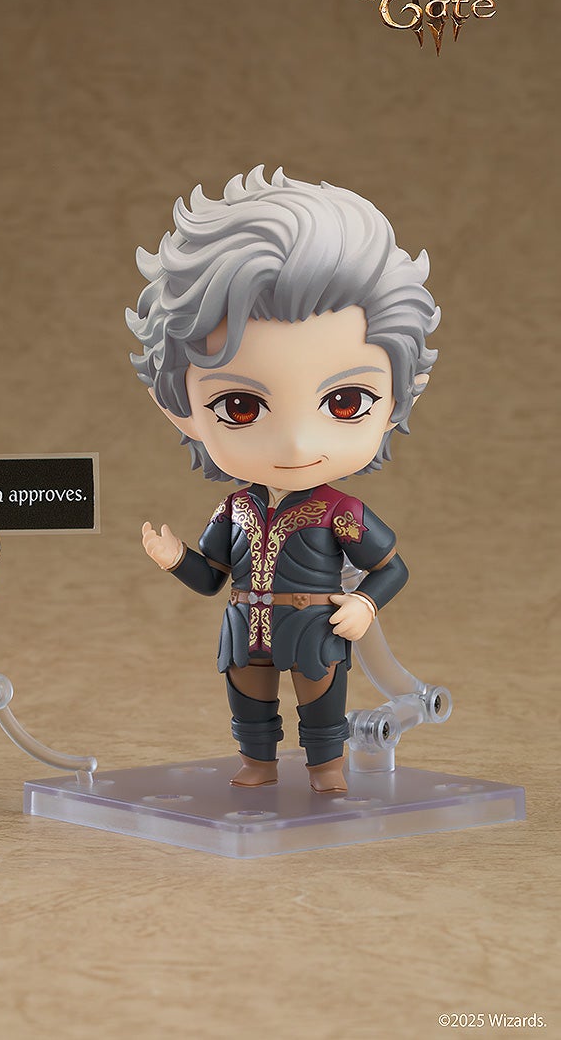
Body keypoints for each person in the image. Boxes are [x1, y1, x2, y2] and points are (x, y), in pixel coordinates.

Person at [125, 166, 440, 793]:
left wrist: (364, 603)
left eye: (345, 402)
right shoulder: (233, 511)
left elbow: (391, 567)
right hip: (246, 625)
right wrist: (173, 558)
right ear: (180, 409)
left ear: (399, 399)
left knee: (322, 705)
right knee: (249, 703)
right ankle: (257, 763)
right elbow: (211, 578)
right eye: (240, 407)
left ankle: (327, 768)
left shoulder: (340, 511)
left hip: (315, 625)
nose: (296, 444)